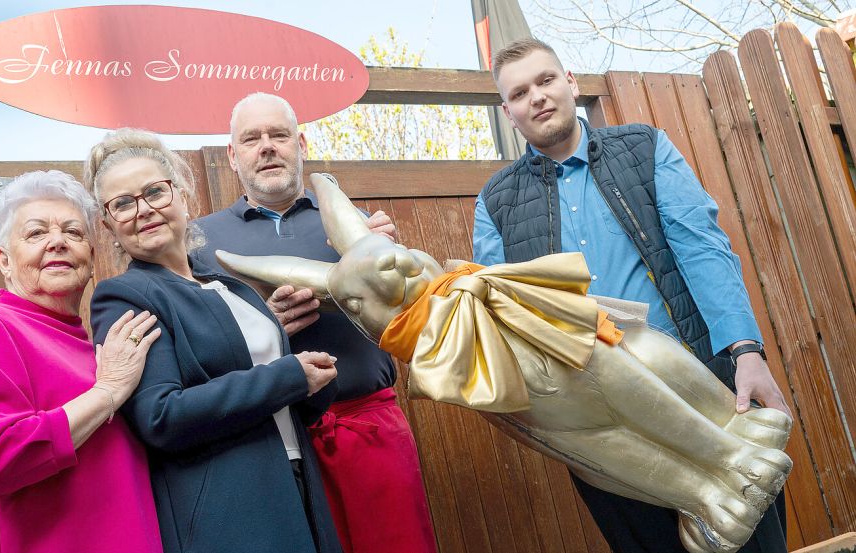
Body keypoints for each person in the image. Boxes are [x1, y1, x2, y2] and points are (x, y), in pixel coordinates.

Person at [472, 38, 792, 552]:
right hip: (602, 428)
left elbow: (702, 247)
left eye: (546, 80)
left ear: (570, 82)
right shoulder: (495, 202)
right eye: (520, 93)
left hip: (702, 392)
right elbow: (498, 317)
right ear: (509, 113)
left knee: (751, 541)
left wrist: (745, 351)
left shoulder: (644, 148)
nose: (537, 97)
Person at [192, 92, 437, 553]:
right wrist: (263, 330)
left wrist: (397, 264)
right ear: (233, 155)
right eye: (251, 138)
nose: (267, 146)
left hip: (370, 429)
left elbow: (417, 316)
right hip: (275, 443)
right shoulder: (201, 243)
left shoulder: (355, 225)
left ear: (301, 144)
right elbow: (198, 353)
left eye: (279, 135)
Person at [83, 128, 342, 553]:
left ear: (182, 196)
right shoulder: (124, 296)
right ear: (109, 224)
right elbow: (161, 417)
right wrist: (288, 377)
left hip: (295, 482)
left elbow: (277, 394)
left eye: (155, 192)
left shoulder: (228, 284)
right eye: (123, 203)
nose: (143, 210)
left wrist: (315, 383)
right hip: (228, 511)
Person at [0, 170, 163, 553]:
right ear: (4, 260)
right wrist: (108, 392)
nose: (57, 241)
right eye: (36, 233)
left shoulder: (93, 346)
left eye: (73, 232)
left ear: (91, 258)